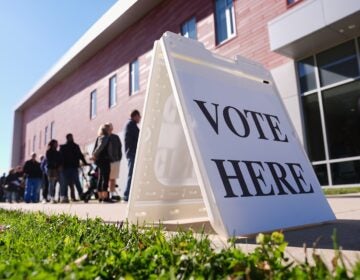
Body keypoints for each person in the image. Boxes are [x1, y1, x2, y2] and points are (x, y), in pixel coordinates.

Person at [59, 133, 88, 202]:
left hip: (72, 167)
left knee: (75, 182)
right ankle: (66, 196)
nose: (72, 138)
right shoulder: (64, 147)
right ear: (68, 138)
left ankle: (80, 195)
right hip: (67, 167)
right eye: (71, 137)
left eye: (72, 137)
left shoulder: (73, 146)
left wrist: (85, 162)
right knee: (68, 182)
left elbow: (80, 155)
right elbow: (60, 158)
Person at [92, 124, 113, 203]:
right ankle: (105, 197)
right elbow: (101, 146)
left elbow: (97, 147)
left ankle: (100, 197)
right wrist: (95, 154)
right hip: (105, 159)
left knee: (100, 177)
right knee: (105, 177)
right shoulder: (106, 137)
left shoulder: (99, 137)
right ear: (106, 130)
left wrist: (94, 155)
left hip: (99, 160)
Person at [123, 109, 141, 202]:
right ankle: (126, 194)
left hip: (131, 152)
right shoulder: (131, 125)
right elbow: (137, 138)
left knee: (133, 174)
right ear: (135, 116)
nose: (140, 118)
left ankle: (129, 194)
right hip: (132, 153)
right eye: (139, 116)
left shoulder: (131, 125)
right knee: (132, 174)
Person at [106, 122, 122, 201]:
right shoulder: (103, 137)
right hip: (107, 162)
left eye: (110, 127)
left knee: (113, 179)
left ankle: (112, 194)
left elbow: (119, 148)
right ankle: (106, 195)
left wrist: (119, 158)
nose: (110, 128)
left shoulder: (116, 137)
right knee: (106, 179)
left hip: (115, 161)